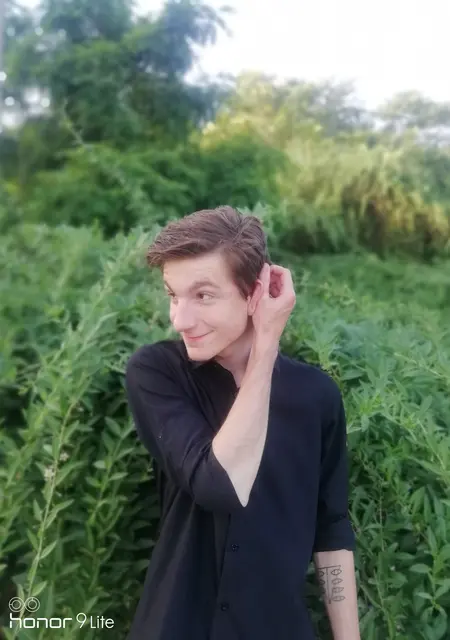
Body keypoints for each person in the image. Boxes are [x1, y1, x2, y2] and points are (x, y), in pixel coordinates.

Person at [124, 206, 360, 640]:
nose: (180, 319)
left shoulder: (316, 396)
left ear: (255, 294)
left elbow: (331, 530)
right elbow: (220, 484)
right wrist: (266, 345)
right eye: (173, 295)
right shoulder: (157, 373)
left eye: (203, 296)